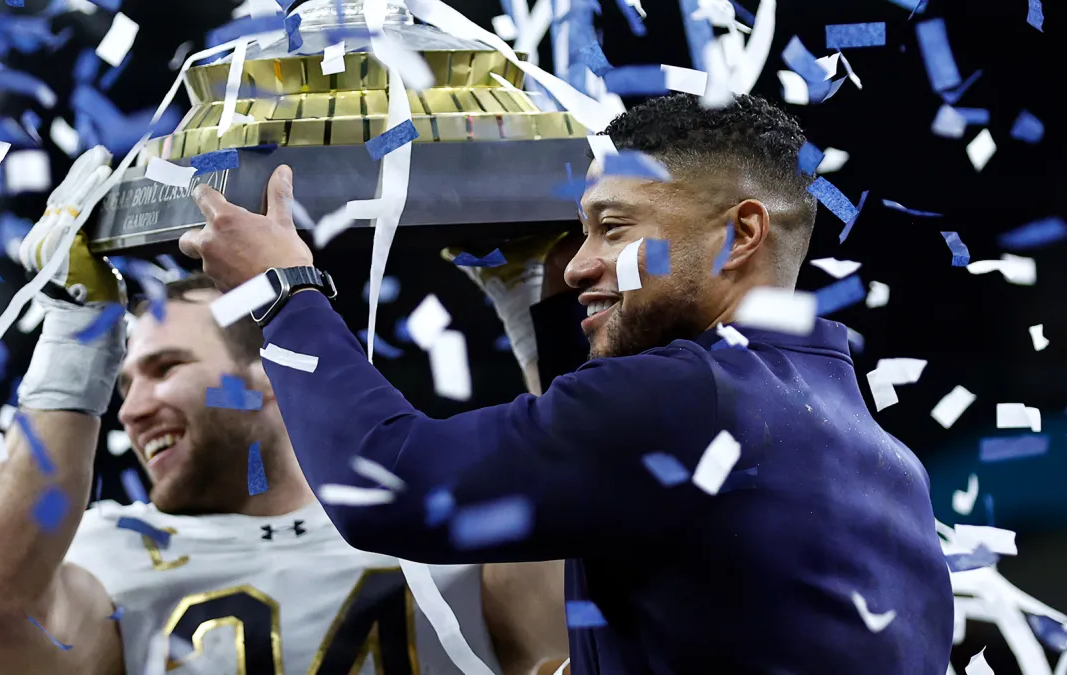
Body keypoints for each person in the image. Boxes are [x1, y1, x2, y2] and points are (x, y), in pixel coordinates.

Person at [181, 93, 955, 674]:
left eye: (613, 228)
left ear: (741, 233)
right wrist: (544, 314)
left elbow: (390, 483)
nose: (582, 261)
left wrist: (283, 293)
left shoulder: (687, 399)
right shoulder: (883, 457)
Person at [0, 147, 507, 674]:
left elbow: (578, 563)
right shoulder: (107, 553)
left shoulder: (444, 518)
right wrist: (74, 337)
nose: (130, 411)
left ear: (269, 375)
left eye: (166, 368)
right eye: (124, 384)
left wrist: (537, 316)